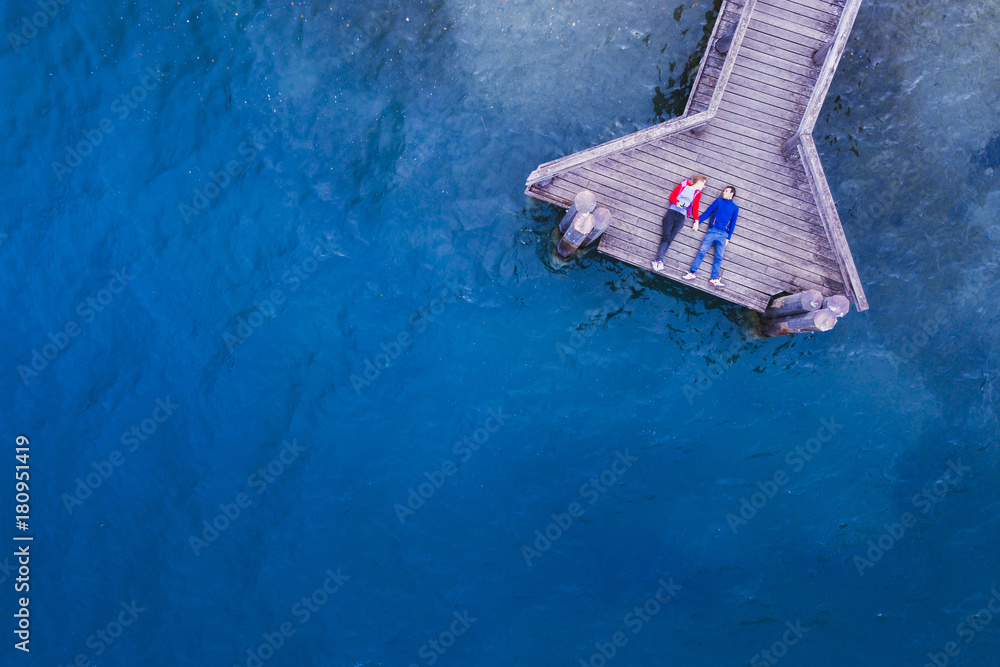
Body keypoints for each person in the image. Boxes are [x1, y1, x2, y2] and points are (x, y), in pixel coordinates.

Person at [683, 186, 738, 287]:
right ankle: (692, 273)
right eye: (724, 190)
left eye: (726, 191)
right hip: (712, 231)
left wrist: (728, 238)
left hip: (723, 235)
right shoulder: (718, 201)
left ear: (731, 194)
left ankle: (714, 279)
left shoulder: (735, 208)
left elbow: (733, 223)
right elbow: (708, 212)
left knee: (719, 257)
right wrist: (697, 221)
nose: (723, 192)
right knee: (702, 251)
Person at [651, 175, 706, 271]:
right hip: (672, 213)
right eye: (704, 184)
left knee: (670, 239)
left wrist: (696, 221)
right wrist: (677, 202)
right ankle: (660, 260)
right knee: (666, 236)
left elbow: (695, 208)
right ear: (699, 182)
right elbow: (672, 197)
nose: (704, 186)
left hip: (681, 217)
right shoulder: (684, 185)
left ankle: (658, 261)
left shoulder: (697, 194)